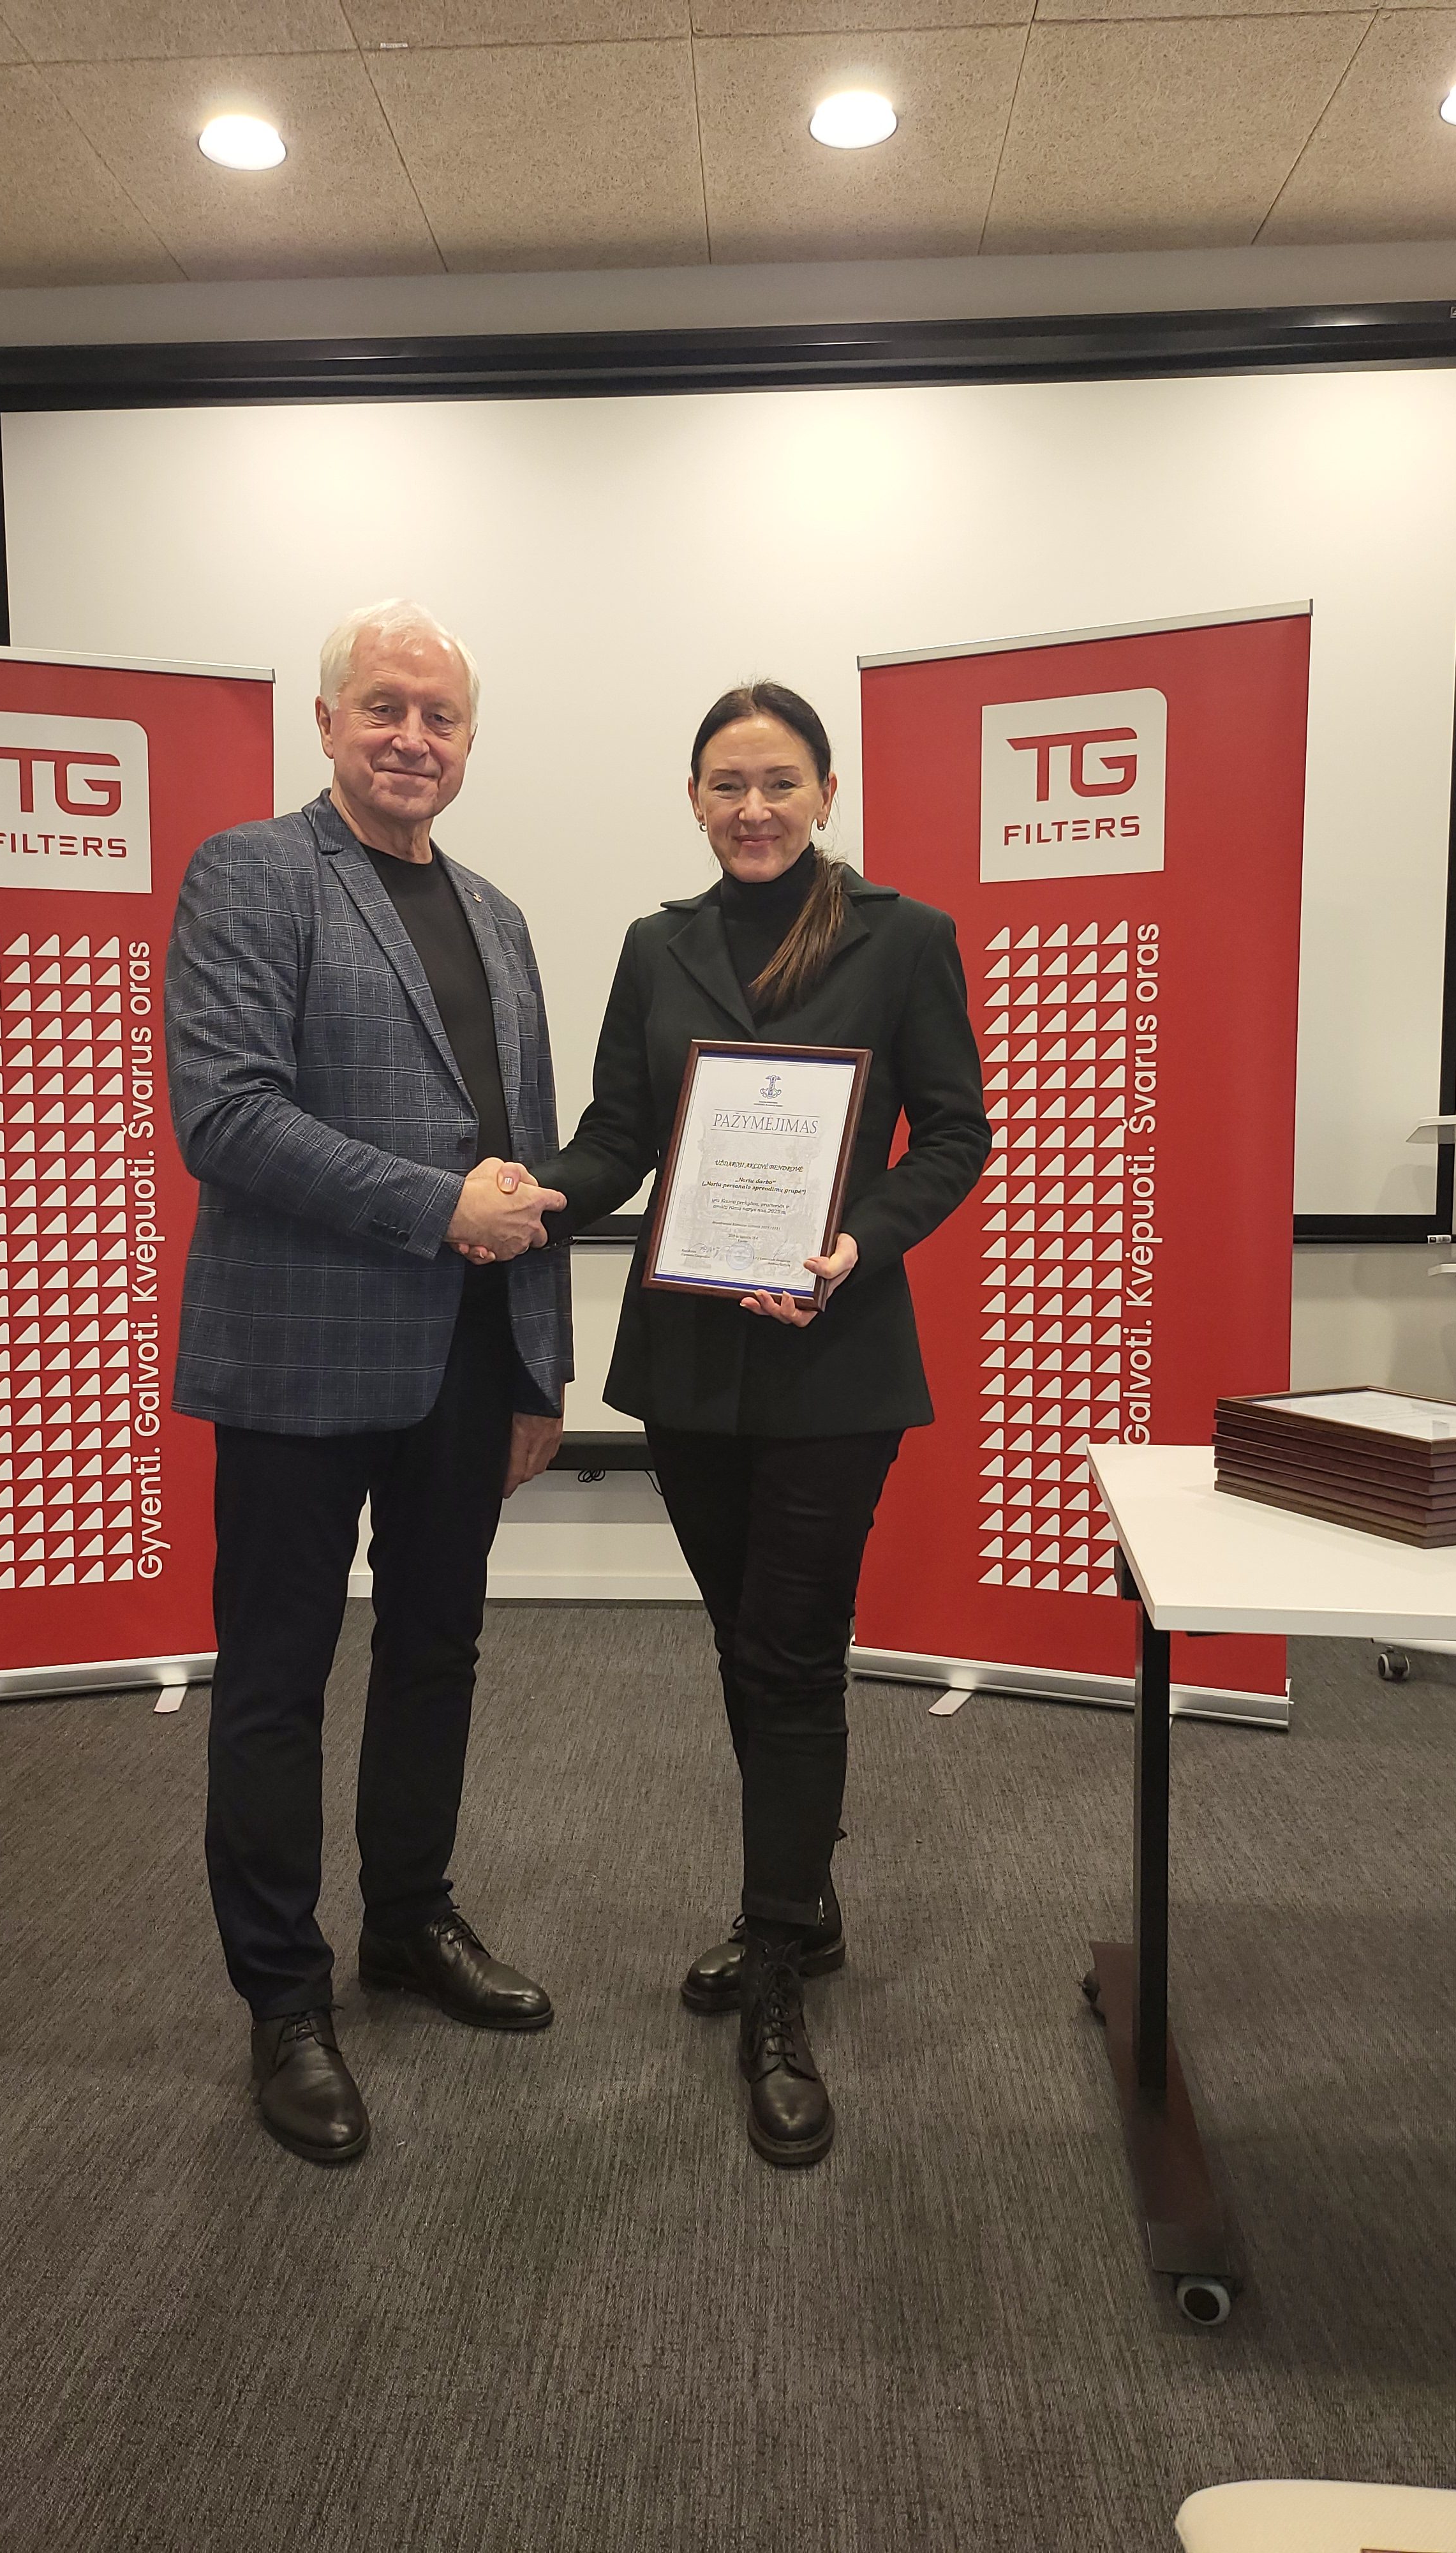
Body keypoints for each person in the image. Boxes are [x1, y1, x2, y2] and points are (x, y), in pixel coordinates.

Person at [518, 679, 990, 2166]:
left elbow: (956, 1133)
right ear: (695, 797)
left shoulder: (902, 938)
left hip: (831, 1357)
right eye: (727, 782)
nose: (754, 806)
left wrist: (857, 1241)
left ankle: (777, 1968)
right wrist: (531, 1195)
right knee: (746, 1642)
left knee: (790, 1656)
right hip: (692, 1364)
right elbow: (618, 1136)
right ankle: (809, 1902)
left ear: (826, 792)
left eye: (780, 780)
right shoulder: (655, 945)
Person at [166, 599, 570, 2167]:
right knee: (276, 1677)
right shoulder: (252, 872)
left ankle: (408, 1916)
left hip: (466, 1358)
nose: (413, 737)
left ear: (468, 742)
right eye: (385, 707)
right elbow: (228, 1114)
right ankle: (284, 1995)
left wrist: (537, 1361)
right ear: (327, 722)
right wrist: (433, 1205)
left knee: (435, 1651)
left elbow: (522, 1154)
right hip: (298, 1352)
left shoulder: (500, 914)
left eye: (440, 716)